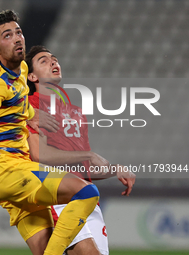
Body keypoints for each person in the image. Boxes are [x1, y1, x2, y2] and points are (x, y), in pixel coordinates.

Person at [0, 10, 108, 255]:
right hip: (8, 168)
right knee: (86, 191)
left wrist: (30, 113)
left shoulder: (19, 69)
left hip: (10, 174)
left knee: (45, 247)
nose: (17, 38)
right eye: (7, 35)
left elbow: (14, 103)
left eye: (18, 32)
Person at [25, 45, 136, 255]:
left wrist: (114, 169)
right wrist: (89, 154)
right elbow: (40, 154)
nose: (53, 62)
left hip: (86, 197)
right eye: (44, 61)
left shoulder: (76, 113)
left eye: (54, 59)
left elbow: (83, 168)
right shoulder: (31, 107)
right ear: (31, 76)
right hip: (58, 195)